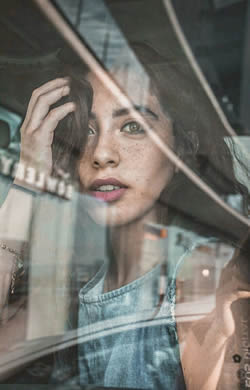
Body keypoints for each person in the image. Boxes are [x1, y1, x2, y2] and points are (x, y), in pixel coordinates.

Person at [0, 42, 249, 389]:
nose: (101, 153)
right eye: (87, 130)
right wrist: (27, 182)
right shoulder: (77, 286)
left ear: (182, 150)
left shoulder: (202, 275)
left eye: (132, 126)